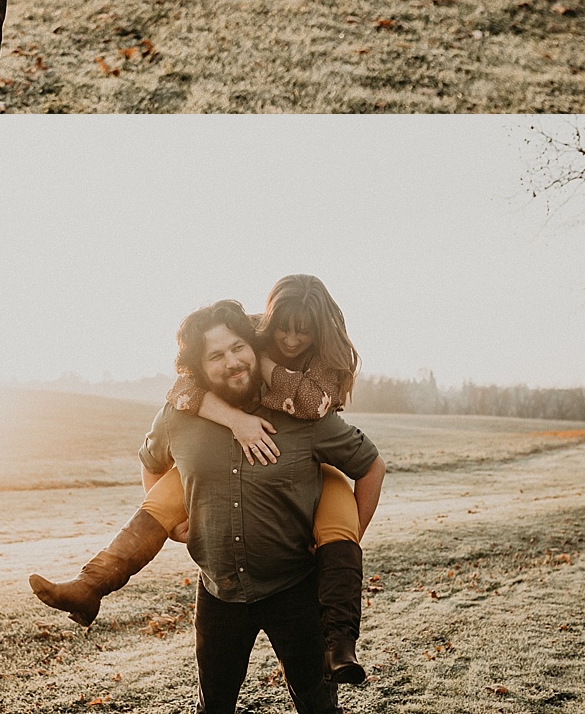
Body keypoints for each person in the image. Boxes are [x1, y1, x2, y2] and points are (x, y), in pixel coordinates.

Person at [31, 301, 384, 714]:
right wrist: (173, 523)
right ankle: (90, 585)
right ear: (197, 367)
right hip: (220, 593)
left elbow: (369, 465)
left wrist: (347, 537)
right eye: (215, 355)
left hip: (293, 590)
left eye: (238, 347)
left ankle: (341, 645)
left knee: (318, 706)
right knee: (213, 706)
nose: (232, 362)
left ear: (255, 348)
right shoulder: (178, 416)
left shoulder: (302, 415)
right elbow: (152, 464)